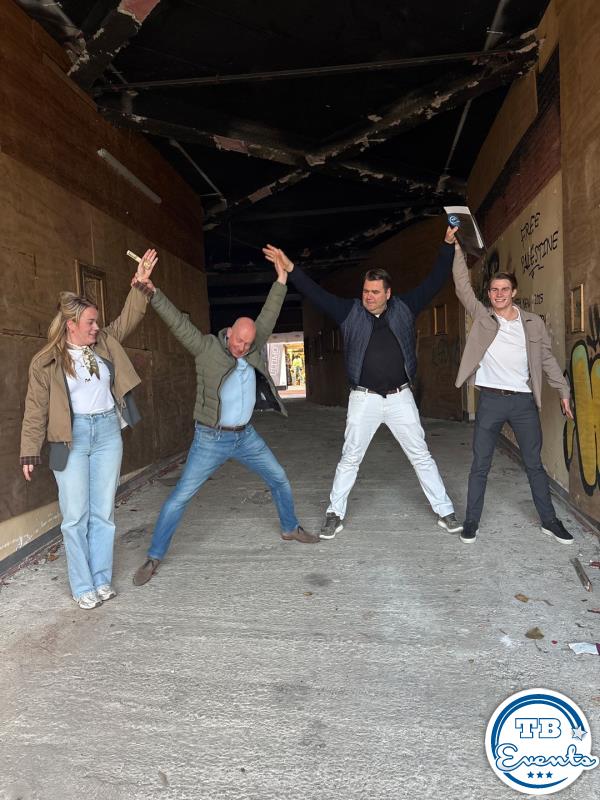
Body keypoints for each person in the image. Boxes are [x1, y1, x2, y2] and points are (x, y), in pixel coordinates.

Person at [263, 228, 462, 540]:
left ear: (388, 293)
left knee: (421, 455)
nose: (368, 296)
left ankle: (445, 511)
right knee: (350, 458)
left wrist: (447, 245)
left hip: (400, 398)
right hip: (364, 398)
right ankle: (334, 514)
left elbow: (435, 281)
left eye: (375, 292)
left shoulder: (405, 307)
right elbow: (317, 295)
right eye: (366, 291)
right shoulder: (350, 312)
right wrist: (291, 268)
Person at [132, 255, 318, 587]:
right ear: (228, 332)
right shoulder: (206, 348)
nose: (241, 348)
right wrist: (151, 291)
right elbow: (177, 323)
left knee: (279, 478)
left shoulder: (252, 346)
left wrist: (281, 279)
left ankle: (290, 528)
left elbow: (269, 313)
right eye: (238, 341)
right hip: (211, 439)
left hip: (246, 437)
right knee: (180, 496)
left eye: (247, 343)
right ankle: (154, 556)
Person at [20, 249, 158, 609]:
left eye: (97, 322)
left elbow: (129, 318)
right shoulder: (46, 362)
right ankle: (82, 586)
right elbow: (35, 410)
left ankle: (101, 579)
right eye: (91, 323)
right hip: (71, 439)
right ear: (71, 325)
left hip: (108, 432)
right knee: (75, 516)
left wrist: (141, 285)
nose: (97, 327)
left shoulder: (105, 342)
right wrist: (29, 450)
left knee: (103, 512)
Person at [451, 232, 574, 544]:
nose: (499, 294)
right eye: (494, 289)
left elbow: (546, 359)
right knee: (480, 465)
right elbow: (462, 286)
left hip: (522, 403)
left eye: (505, 289)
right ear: (489, 294)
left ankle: (549, 521)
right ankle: (471, 521)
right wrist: (456, 248)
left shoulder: (532, 323)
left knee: (534, 464)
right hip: (490, 401)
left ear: (514, 292)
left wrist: (563, 391)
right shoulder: (483, 317)